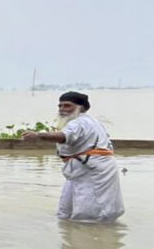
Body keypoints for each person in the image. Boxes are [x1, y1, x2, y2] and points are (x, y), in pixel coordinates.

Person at [21, 91, 125, 222]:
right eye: (60, 106)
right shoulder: (87, 122)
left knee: (91, 214)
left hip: (93, 170)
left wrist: (38, 135)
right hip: (82, 168)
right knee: (66, 211)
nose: (62, 109)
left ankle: (92, 237)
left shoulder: (79, 122)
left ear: (80, 107)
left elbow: (64, 136)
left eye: (67, 106)